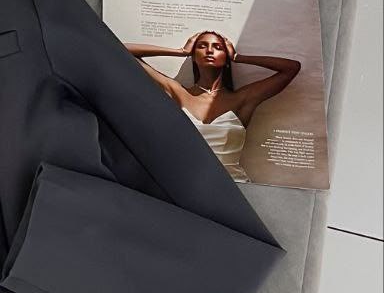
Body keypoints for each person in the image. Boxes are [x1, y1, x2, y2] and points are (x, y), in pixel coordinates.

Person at [125, 30, 301, 182]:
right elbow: (123, 51)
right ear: (194, 56)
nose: (209, 50)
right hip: (183, 183)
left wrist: (238, 57)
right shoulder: (177, 92)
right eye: (202, 46)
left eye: (218, 47)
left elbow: (291, 68)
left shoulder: (242, 99)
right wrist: (180, 51)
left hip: (234, 186)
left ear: (226, 57)